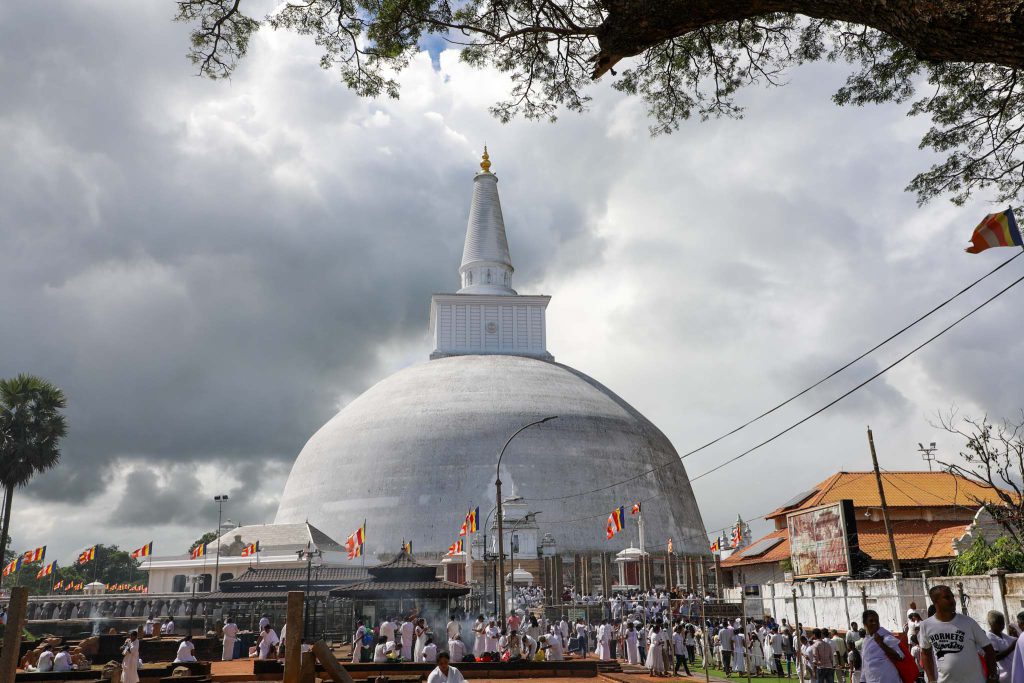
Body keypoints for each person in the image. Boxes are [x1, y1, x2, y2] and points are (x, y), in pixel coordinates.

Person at [919, 585, 997, 683]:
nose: (952, 600)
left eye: (952, 596)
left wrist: (992, 675)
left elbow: (989, 650)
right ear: (935, 601)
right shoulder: (926, 625)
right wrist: (931, 680)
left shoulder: (968, 622)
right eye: (947, 597)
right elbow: (925, 654)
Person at [859, 609, 902, 683]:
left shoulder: (886, 637)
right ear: (864, 624)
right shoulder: (865, 641)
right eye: (871, 621)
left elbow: (900, 656)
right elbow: (865, 664)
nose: (874, 623)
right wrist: (862, 680)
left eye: (877, 621)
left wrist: (881, 644)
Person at [986, 610, 1017, 683]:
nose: (1002, 626)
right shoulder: (989, 637)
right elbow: (995, 657)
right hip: (1003, 677)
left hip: (1012, 675)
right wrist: (1011, 648)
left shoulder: (1002, 635)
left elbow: (1015, 641)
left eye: (1003, 623)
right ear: (992, 624)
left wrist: (1015, 634)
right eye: (999, 623)